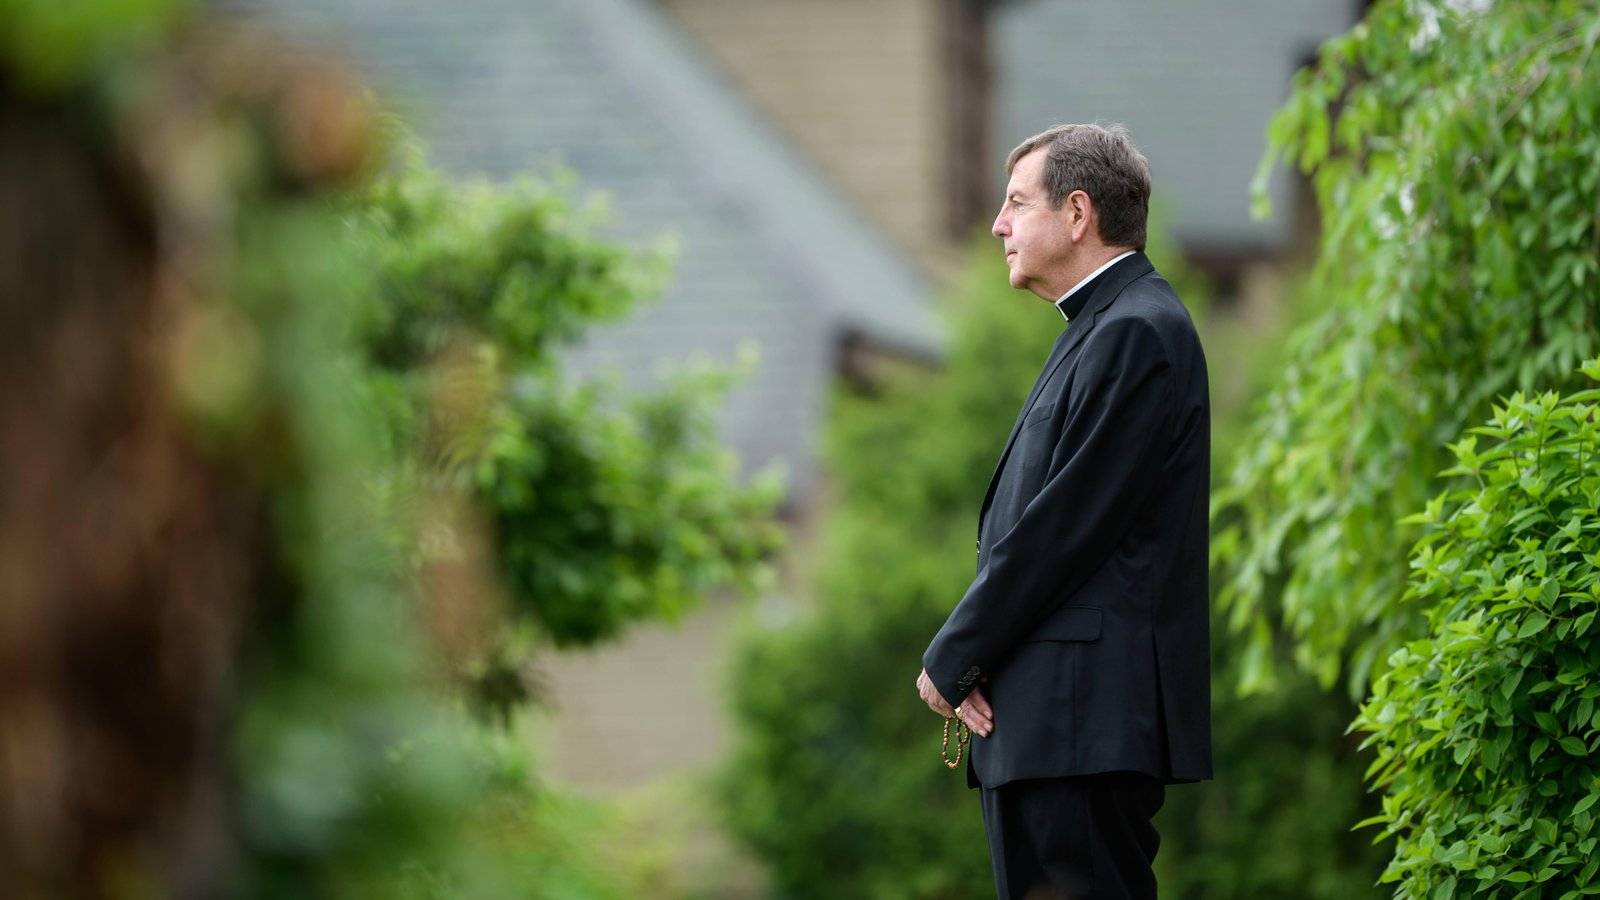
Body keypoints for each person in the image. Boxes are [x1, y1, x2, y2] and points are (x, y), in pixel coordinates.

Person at [915, 123, 1212, 899]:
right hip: (1051, 726)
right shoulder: (1101, 329)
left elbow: (1063, 527)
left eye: (1016, 203)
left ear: (1077, 214)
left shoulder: (1137, 332)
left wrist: (956, 657)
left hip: (1082, 727)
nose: (997, 226)